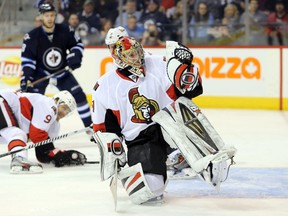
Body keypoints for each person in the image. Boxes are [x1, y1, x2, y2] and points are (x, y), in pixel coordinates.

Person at [91, 36, 205, 204]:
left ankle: (180, 153)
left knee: (213, 166)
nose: (137, 57)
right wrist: (115, 155)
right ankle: (158, 165)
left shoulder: (158, 64)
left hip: (170, 125)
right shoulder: (105, 86)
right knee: (151, 191)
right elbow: (105, 129)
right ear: (119, 58)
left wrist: (185, 67)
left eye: (137, 52)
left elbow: (189, 91)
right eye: (131, 55)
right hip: (141, 139)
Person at [20, 3, 92, 129]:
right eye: (46, 15)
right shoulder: (31, 37)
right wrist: (26, 77)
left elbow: (77, 44)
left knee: (79, 97)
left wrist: (75, 55)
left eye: (52, 15)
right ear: (41, 17)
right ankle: (29, 130)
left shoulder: (66, 30)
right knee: (32, 103)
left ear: (55, 16)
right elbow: (28, 60)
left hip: (62, 72)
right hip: (40, 73)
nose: (49, 18)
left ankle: (90, 128)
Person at [0, 89, 87, 174]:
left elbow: (42, 150)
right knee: (17, 134)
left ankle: (19, 158)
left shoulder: (54, 125)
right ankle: (19, 159)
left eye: (68, 112)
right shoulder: (49, 105)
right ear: (56, 100)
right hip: (3, 101)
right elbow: (37, 135)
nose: (64, 113)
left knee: (10, 135)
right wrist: (54, 152)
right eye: (64, 108)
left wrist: (58, 156)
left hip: (5, 108)